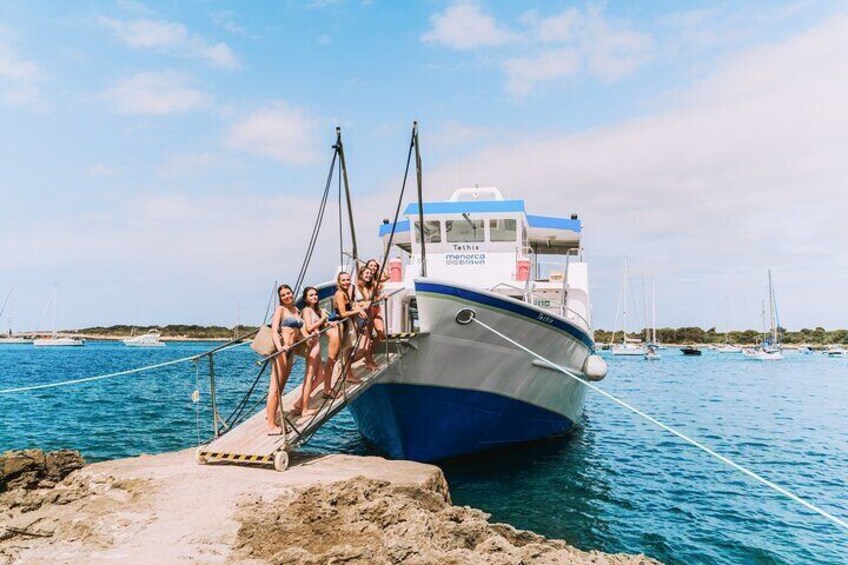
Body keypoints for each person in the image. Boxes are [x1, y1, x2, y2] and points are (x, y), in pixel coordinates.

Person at [266, 284, 304, 435]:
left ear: (292, 293)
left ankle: (273, 416)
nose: (287, 296)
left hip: (291, 351)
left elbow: (298, 331)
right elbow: (275, 332)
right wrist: (280, 347)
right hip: (282, 350)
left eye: (288, 293)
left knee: (281, 388)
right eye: (283, 295)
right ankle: (270, 426)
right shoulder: (280, 310)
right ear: (280, 298)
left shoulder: (296, 310)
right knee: (275, 388)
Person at [294, 286, 331, 417]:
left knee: (321, 375)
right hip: (313, 345)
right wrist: (322, 319)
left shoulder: (315, 310)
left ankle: (300, 402)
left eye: (315, 294)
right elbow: (309, 328)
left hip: (317, 344)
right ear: (306, 299)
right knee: (309, 376)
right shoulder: (307, 310)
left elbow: (317, 327)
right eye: (311, 295)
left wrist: (327, 323)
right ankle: (304, 408)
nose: (314, 297)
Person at [326, 271, 367, 385]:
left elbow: (350, 307)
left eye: (348, 280)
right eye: (343, 280)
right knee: (337, 355)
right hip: (340, 325)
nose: (346, 282)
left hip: (345, 324)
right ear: (339, 282)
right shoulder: (340, 294)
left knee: (348, 351)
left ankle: (348, 374)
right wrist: (358, 311)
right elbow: (343, 313)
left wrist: (358, 308)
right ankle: (336, 380)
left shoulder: (345, 292)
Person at [355, 267, 380, 371]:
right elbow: (352, 303)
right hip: (359, 317)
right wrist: (363, 304)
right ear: (361, 274)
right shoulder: (355, 287)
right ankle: (344, 366)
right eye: (366, 273)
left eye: (370, 273)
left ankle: (369, 361)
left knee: (369, 340)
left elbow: (375, 299)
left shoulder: (370, 287)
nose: (369, 275)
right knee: (364, 344)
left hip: (368, 315)